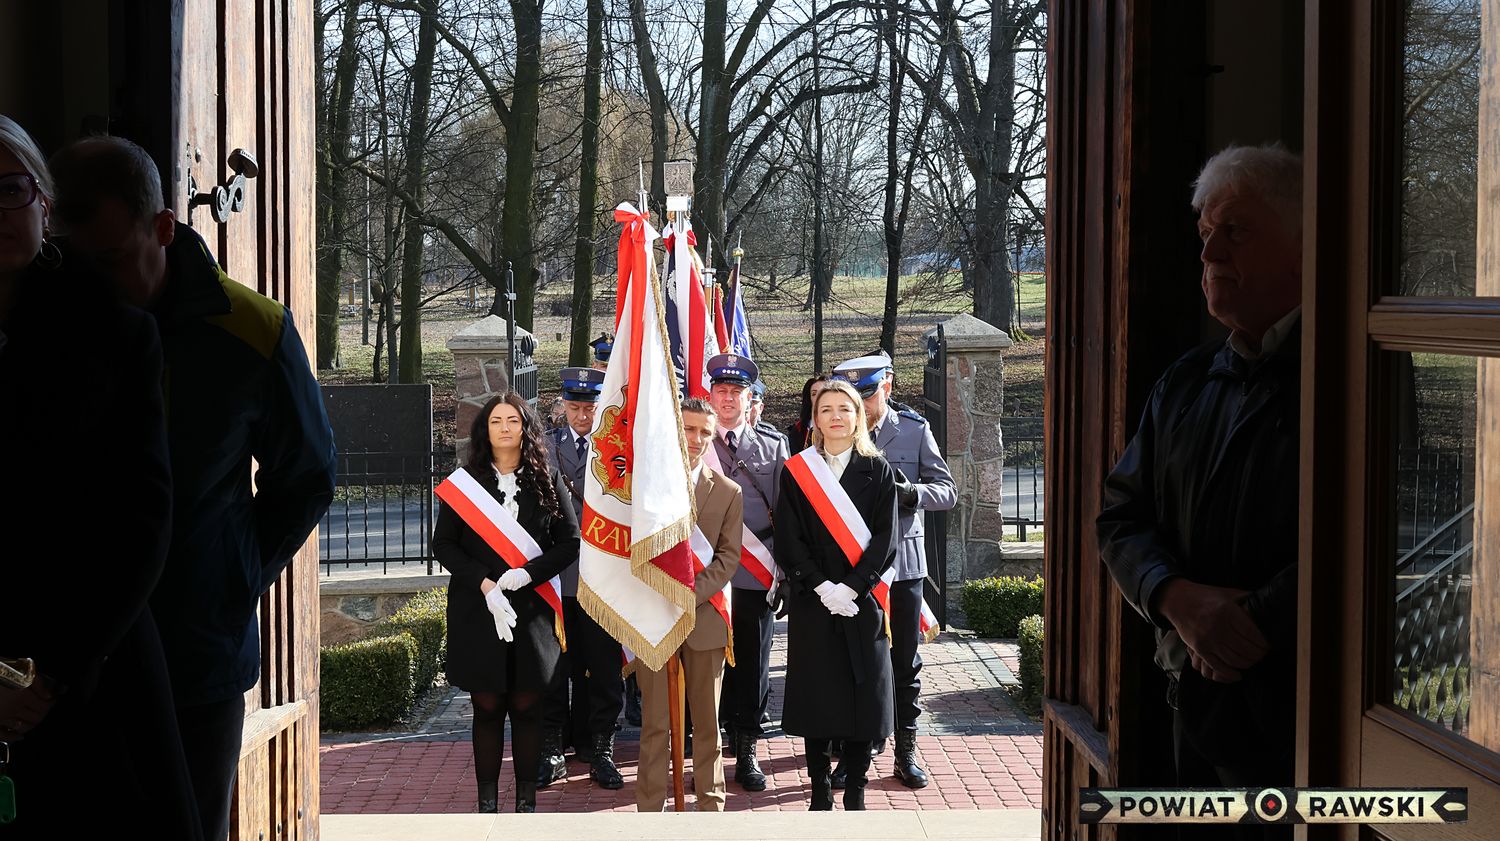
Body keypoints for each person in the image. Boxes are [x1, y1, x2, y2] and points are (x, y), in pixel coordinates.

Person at [50, 134, 336, 841]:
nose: (96, 282)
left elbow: (308, 476)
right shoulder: (50, 322)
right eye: (79, 260)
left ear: (162, 228)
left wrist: (234, 574)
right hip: (73, 650)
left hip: (197, 652)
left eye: (114, 260)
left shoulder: (253, 328)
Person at [0, 115, 200, 840]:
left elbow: (141, 520)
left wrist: (44, 675)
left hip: (92, 670)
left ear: (43, 204)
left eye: (10, 189)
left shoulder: (116, 335)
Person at [1097, 144, 1302, 836]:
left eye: (1235, 230)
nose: (1210, 252)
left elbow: (1376, 537)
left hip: (1303, 729)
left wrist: (1253, 624)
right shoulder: (1184, 383)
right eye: (1204, 234)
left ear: (1305, 243)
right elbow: (1120, 516)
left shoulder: (1353, 376)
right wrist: (1174, 598)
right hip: (1185, 718)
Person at [434, 393, 581, 813]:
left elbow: (569, 542)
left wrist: (527, 574)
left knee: (527, 705)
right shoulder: (465, 483)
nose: (503, 427)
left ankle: (526, 803)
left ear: (524, 428)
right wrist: (484, 584)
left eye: (512, 420)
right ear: (486, 429)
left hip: (532, 608)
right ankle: (486, 804)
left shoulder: (546, 478)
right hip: (478, 609)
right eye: (495, 420)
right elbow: (443, 544)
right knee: (487, 705)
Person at [832, 354, 957, 788]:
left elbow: (947, 492)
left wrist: (910, 493)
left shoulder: (914, 430)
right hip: (854, 568)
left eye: (867, 394)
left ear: (887, 385)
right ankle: (855, 751)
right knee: (855, 665)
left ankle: (906, 752)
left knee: (904, 664)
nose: (861, 405)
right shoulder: (837, 432)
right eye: (854, 397)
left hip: (902, 568)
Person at [774, 379, 898, 810]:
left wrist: (852, 587)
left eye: (845, 408)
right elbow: (789, 540)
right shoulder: (798, 471)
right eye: (826, 409)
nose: (836, 417)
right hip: (815, 601)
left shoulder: (879, 469)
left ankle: (858, 787)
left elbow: (886, 540)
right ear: (816, 419)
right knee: (818, 694)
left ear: (858, 416)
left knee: (863, 693)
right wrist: (822, 586)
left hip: (862, 602)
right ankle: (820, 789)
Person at [636, 398, 743, 811]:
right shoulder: (645, 489)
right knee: (655, 724)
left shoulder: (728, 491)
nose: (695, 439)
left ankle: (710, 808)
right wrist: (662, 594)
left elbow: (728, 558)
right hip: (653, 616)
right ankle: (649, 808)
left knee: (707, 724)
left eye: (703, 431)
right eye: (687, 429)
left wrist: (687, 595)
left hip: (705, 619)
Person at [706, 352, 789, 791]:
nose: (728, 399)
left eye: (736, 392)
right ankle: (712, 743)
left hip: (757, 571)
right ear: (711, 395)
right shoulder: (696, 442)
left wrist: (784, 573)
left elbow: (785, 515)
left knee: (754, 662)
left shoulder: (772, 447)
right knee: (711, 659)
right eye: (721, 391)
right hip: (708, 570)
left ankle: (749, 747)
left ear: (748, 398)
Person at [540, 366, 625, 789]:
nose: (582, 416)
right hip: (559, 579)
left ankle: (602, 750)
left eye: (589, 407)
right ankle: (553, 748)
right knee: (555, 669)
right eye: (574, 407)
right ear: (563, 407)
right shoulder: (545, 446)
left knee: (605, 670)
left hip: (605, 576)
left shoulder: (618, 447)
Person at [785, 374, 831, 450]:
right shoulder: (798, 430)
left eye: (823, 392)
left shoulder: (841, 424)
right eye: (814, 394)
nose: (819, 396)